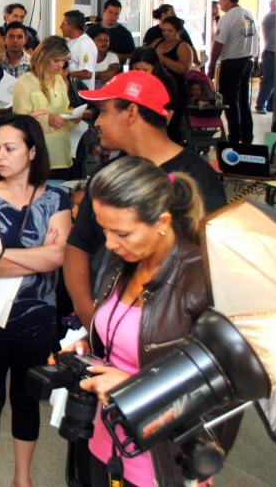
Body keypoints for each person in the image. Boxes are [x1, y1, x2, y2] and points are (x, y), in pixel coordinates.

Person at [74, 155, 237, 486]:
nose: (108, 243)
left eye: (121, 233)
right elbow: (125, 338)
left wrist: (131, 388)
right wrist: (88, 349)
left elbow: (224, 391)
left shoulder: (201, 281)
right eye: (104, 230)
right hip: (106, 442)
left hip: (161, 462)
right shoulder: (127, 262)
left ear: (162, 221)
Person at [64, 70, 226, 329]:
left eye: (104, 111)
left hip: (162, 334)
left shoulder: (196, 179)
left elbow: (209, 269)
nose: (96, 122)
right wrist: (86, 309)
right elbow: (78, 244)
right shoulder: (107, 175)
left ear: (131, 113)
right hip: (103, 326)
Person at [0, 114, 70, 487]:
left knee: (27, 400)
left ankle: (22, 478)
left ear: (32, 151)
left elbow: (58, 258)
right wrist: (36, 257)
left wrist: (0, 258)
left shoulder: (56, 197)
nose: (0, 156)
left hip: (38, 319)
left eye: (10, 148)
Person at [12, 36, 76, 179]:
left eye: (64, 60)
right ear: (43, 57)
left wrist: (74, 116)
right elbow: (20, 123)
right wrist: (48, 120)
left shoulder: (59, 80)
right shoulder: (23, 83)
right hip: (39, 158)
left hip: (62, 156)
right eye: (56, 60)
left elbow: (65, 111)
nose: (61, 65)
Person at [208, 0, 260, 143]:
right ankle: (247, 135)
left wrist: (211, 66)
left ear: (228, 0)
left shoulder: (227, 17)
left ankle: (235, 136)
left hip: (232, 64)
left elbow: (218, 44)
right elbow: (257, 39)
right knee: (244, 101)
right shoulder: (249, 14)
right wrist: (256, 61)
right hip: (248, 61)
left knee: (229, 101)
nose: (220, 4)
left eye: (220, 0)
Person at [150, 16, 193, 143]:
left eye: (170, 31)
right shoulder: (157, 42)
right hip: (157, 90)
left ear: (178, 32)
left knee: (172, 126)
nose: (166, 34)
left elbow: (184, 69)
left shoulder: (183, 46)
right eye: (164, 30)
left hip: (176, 91)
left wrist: (163, 59)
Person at [129, 47, 179, 124]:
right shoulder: (127, 79)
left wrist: (159, 130)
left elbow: (170, 110)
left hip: (157, 124)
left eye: (145, 70)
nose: (141, 73)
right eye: (136, 69)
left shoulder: (167, 82)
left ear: (154, 68)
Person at [62, 10, 98, 90]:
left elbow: (87, 74)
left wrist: (66, 74)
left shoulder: (85, 44)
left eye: (64, 24)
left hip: (80, 96)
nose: (61, 26)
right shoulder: (70, 42)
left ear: (73, 25)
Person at [101, 0, 135, 64]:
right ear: (104, 11)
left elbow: (132, 56)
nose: (113, 16)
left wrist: (115, 56)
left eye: (116, 14)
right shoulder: (92, 29)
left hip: (116, 70)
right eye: (110, 12)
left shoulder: (125, 34)